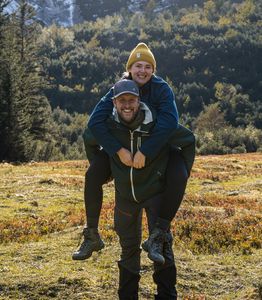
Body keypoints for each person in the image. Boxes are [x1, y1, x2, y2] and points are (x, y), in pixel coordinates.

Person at [72, 43, 191, 264]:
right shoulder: (117, 90)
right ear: (130, 68)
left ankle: (159, 233)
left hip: (159, 145)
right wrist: (116, 154)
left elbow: (169, 124)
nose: (143, 71)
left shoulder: (162, 89)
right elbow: (94, 123)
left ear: (153, 71)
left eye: (148, 66)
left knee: (179, 176)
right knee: (92, 176)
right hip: (124, 145)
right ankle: (92, 235)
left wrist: (145, 151)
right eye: (138, 66)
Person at [83, 79, 195, 299]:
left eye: (131, 100)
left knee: (161, 249)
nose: (127, 105)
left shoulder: (157, 124)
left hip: (156, 194)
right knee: (128, 250)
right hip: (125, 196)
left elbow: (188, 139)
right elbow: (89, 138)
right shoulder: (107, 125)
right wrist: (107, 169)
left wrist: (180, 175)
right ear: (114, 102)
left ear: (139, 100)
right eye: (122, 100)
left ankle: (166, 296)